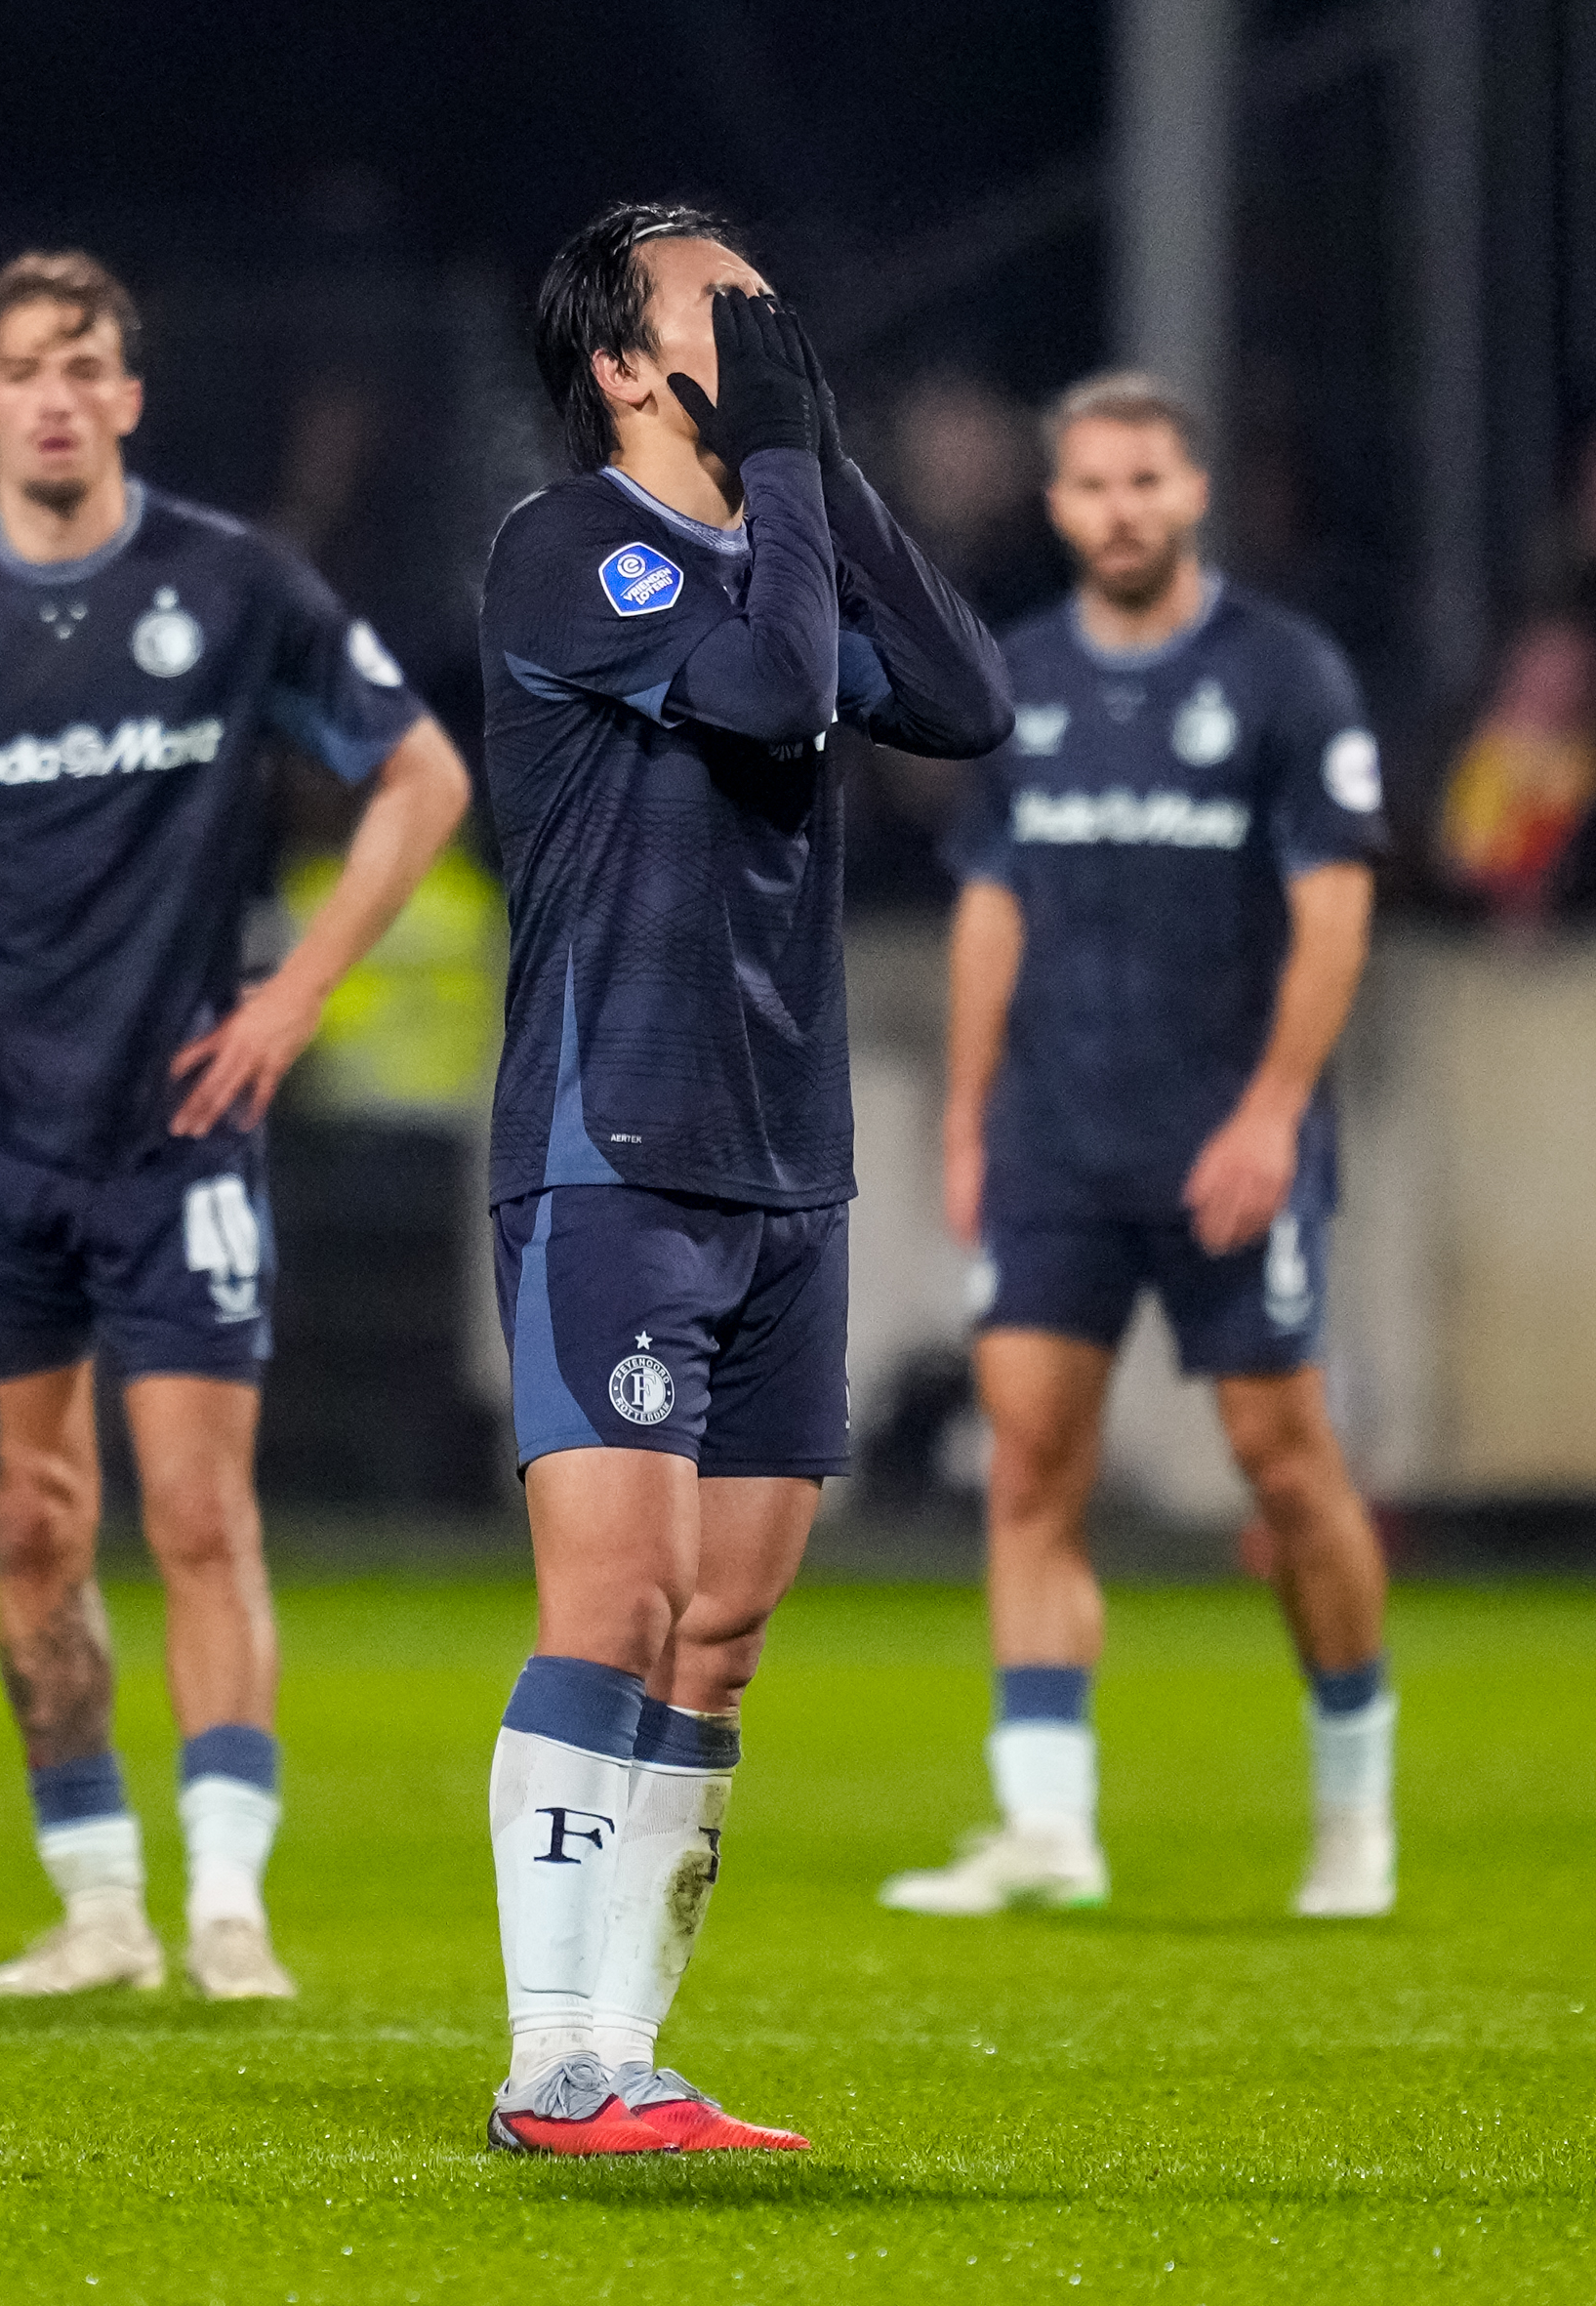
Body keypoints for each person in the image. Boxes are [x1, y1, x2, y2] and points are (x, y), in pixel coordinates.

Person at [0, 250, 474, 2003]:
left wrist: (292, 997)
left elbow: (422, 776)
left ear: (127, 397)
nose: (55, 393)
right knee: (33, 1522)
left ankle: (227, 1901)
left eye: (85, 363)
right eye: (22, 368)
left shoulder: (227, 589)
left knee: (202, 1513)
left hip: (175, 1126)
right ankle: (94, 1903)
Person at [472, 203, 1009, 2152]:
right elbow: (778, 687)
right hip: (614, 1141)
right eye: (723, 308)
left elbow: (960, 701)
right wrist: (784, 469)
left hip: (788, 1163)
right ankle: (547, 2061)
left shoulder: (774, 517)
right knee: (616, 1600)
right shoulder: (567, 549)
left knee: (726, 1631)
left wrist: (820, 464)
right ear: (624, 363)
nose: (767, 319)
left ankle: (630, 2051)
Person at [880, 373, 1396, 1923]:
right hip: (1053, 1141)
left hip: (1223, 1142)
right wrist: (967, 1117)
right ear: (1057, 507)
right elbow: (990, 905)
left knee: (1281, 1467)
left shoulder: (1281, 675)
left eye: (1143, 481)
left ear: (1188, 495)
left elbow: (1332, 911)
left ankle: (1349, 1803)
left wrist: (1266, 1112)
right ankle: (1046, 1821)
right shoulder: (1015, 680)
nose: (1117, 508)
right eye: (1089, 485)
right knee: (1026, 1461)